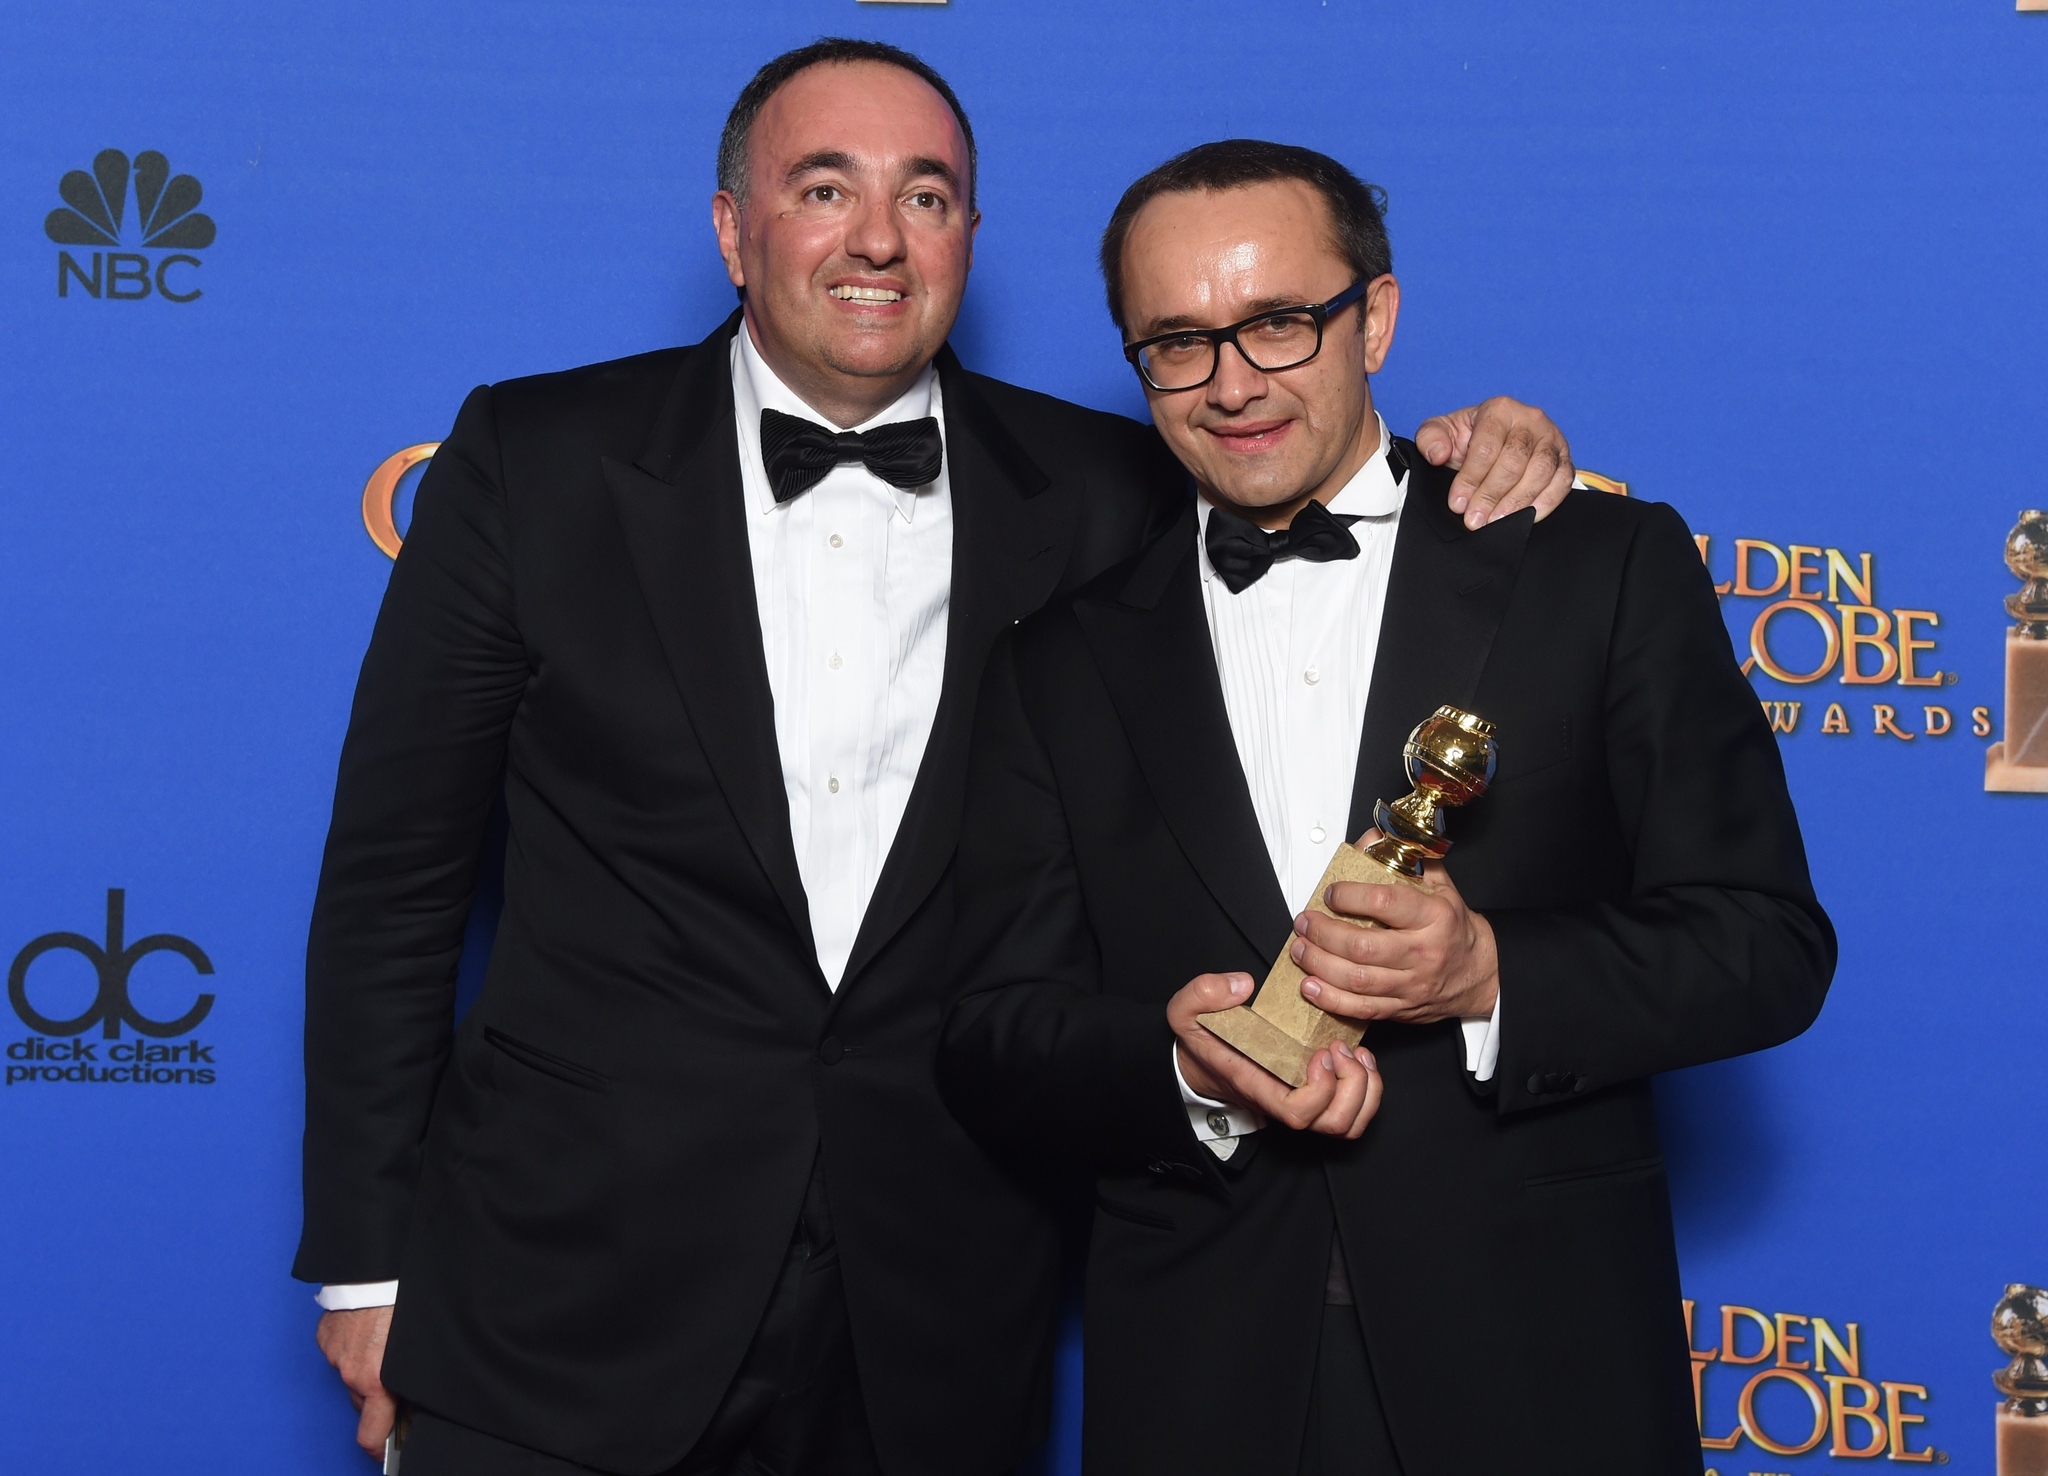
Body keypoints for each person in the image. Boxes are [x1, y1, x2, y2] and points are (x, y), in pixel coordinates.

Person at [296, 40, 1579, 1476]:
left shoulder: (1111, 489)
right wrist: (366, 1266)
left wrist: (1479, 450)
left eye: (927, 195)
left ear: (970, 236)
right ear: (733, 230)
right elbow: (394, 883)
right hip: (557, 1296)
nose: (876, 239)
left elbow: (1314, 485)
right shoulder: (534, 458)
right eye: (824, 187)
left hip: (942, 1307)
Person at [937, 139, 1837, 1476]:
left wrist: (1489, 977)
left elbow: (1767, 949)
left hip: (1539, 1373)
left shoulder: (1594, 567)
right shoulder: (1057, 659)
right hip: (1199, 1383)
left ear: (1379, 318)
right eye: (1177, 342)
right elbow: (992, 1034)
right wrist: (1177, 1067)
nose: (1231, 382)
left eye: (1280, 325)